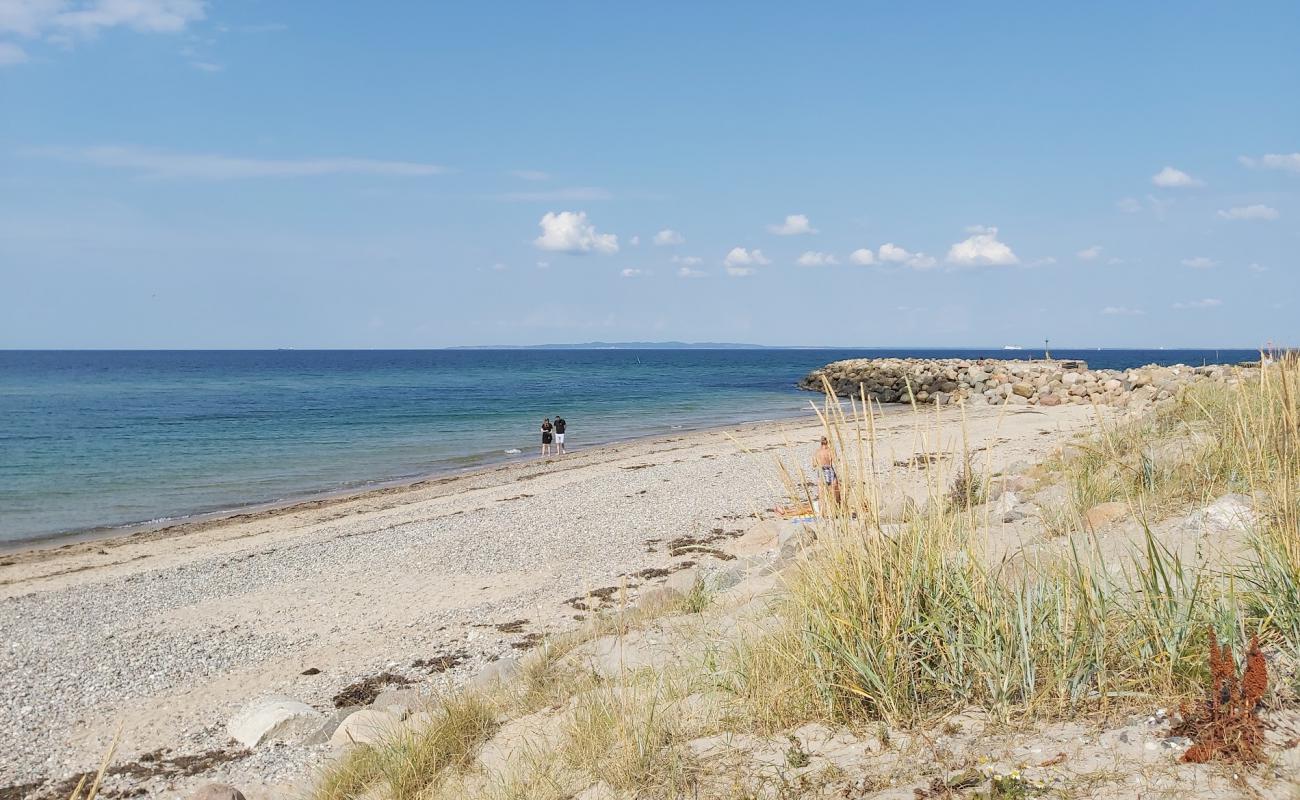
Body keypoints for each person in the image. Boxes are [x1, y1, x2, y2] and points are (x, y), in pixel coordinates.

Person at [813, 435, 840, 507]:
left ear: (820, 443)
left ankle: (822, 512)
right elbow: (835, 461)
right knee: (834, 491)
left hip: (821, 470)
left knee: (821, 492)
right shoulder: (830, 451)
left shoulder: (817, 452)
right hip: (830, 470)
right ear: (827, 442)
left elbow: (814, 464)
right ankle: (835, 508)